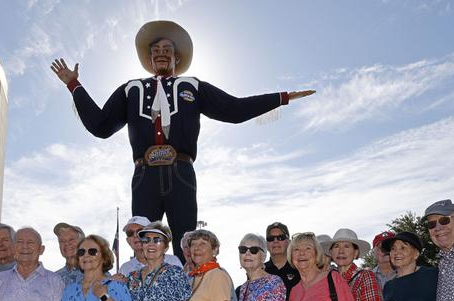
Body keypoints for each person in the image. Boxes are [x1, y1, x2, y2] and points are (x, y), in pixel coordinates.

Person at [51, 20, 314, 262]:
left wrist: (281, 98)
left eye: (167, 48)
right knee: (144, 240)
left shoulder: (192, 86)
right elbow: (100, 126)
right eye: (155, 50)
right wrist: (74, 85)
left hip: (181, 172)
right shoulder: (131, 89)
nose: (161, 53)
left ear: (177, 57)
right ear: (149, 58)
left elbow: (233, 109)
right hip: (145, 173)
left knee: (186, 241)